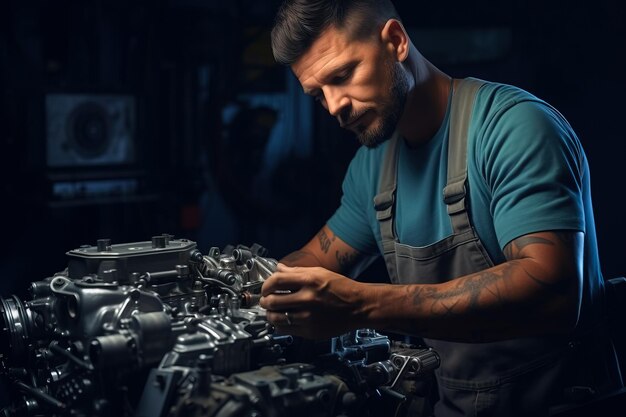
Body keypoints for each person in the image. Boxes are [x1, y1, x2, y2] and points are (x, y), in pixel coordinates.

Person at [259, 1, 622, 415]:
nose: (335, 106)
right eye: (318, 95)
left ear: (395, 41)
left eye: (342, 76)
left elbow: (553, 294)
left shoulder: (515, 127)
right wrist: (261, 289)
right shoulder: (372, 165)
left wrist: (360, 306)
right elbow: (316, 259)